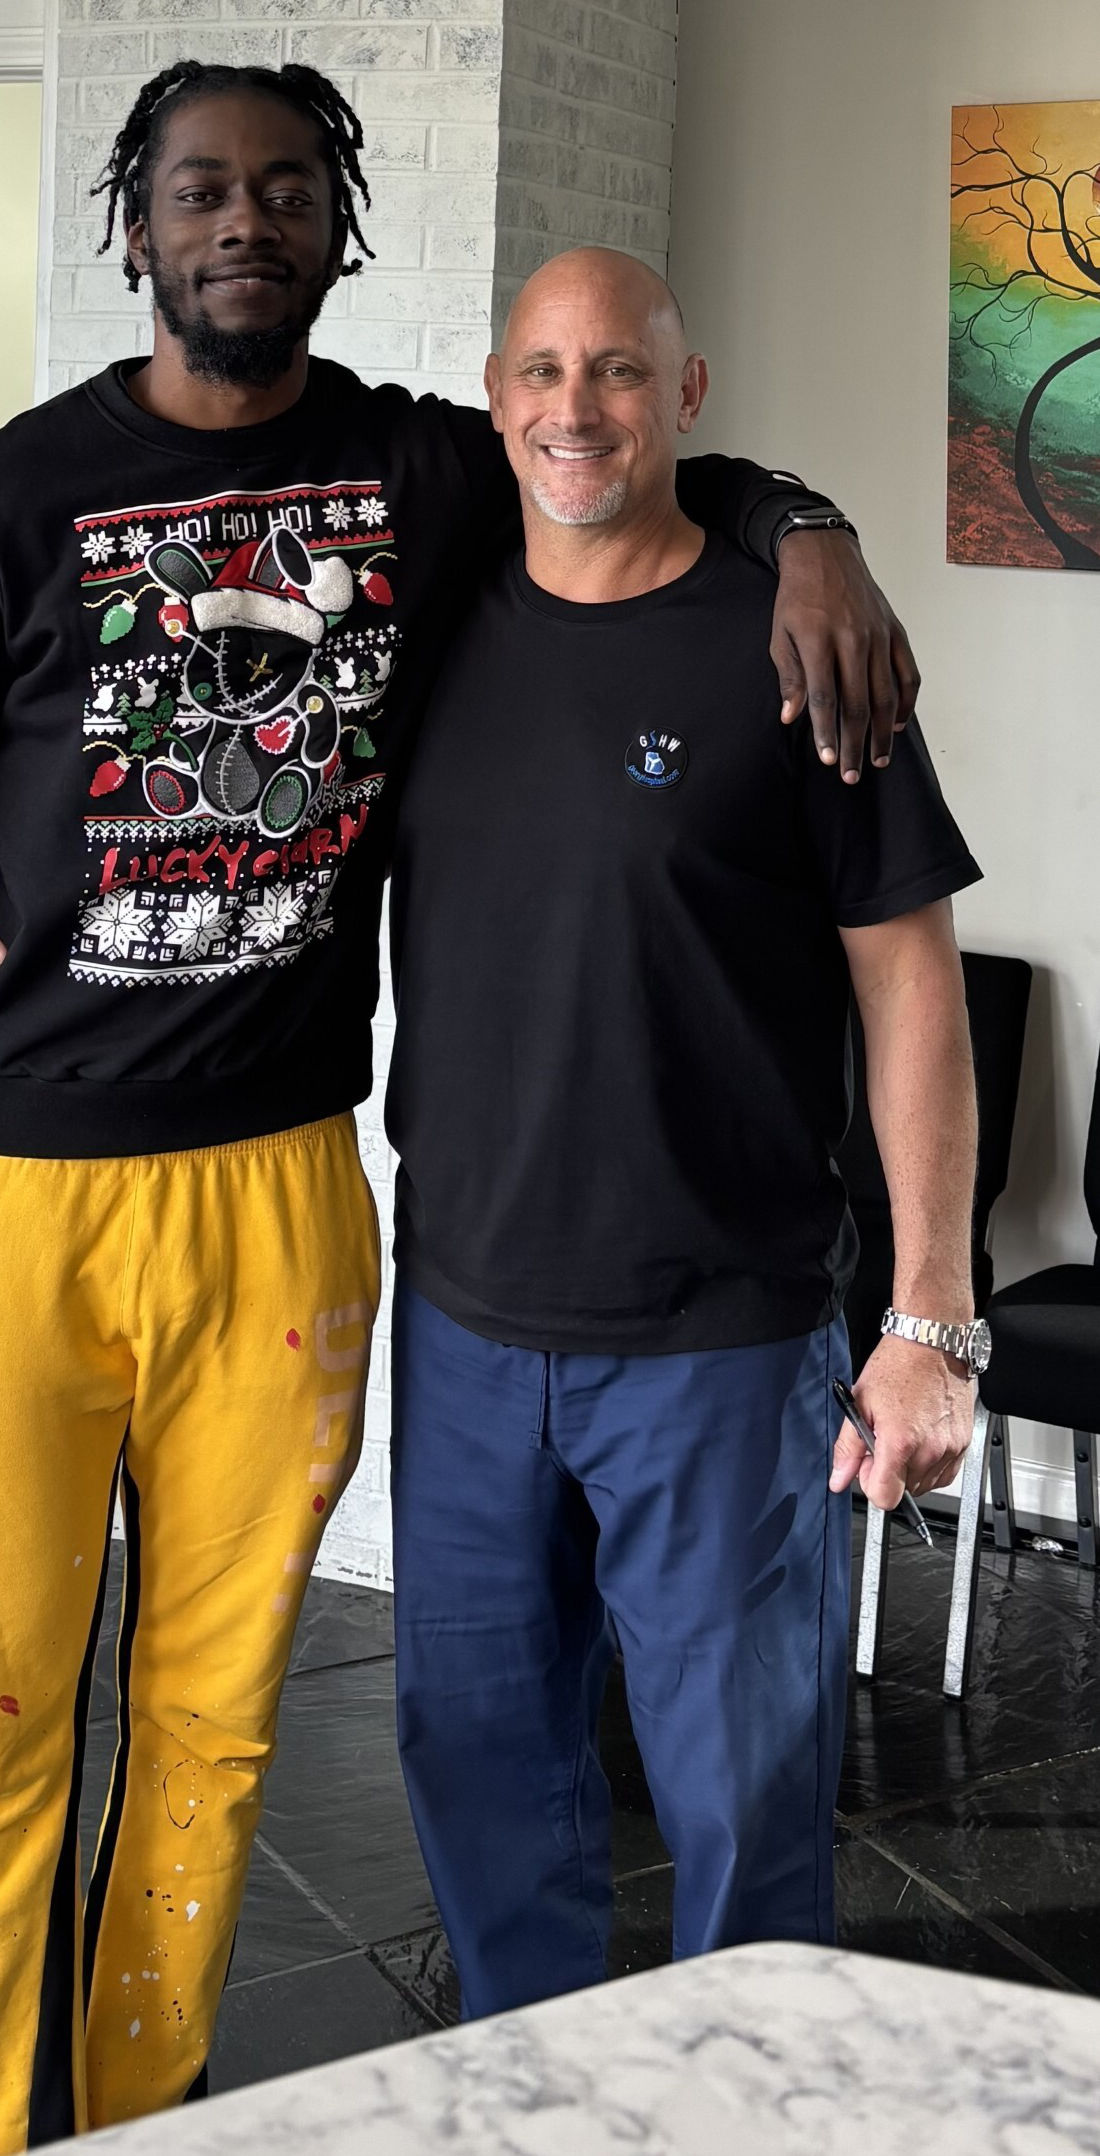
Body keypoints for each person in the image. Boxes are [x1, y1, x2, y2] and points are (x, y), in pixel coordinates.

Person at [0, 59, 918, 2156]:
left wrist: (815, 535)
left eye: (288, 191)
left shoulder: (415, 472)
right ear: (134, 227)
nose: (245, 224)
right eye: (201, 191)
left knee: (212, 1737)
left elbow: (631, 448)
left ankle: (144, 2112)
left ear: (338, 228)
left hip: (290, 1196)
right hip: (11, 1200)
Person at [379, 247, 984, 2013]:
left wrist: (931, 1316)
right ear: (496, 397)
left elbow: (913, 992)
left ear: (688, 394)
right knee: (484, 1779)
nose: (579, 410)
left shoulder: (803, 649)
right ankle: (524, 2092)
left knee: (742, 1812)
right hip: (468, 1326)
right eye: (544, 373)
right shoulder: (435, 624)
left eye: (621, 373)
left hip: (724, 1340)